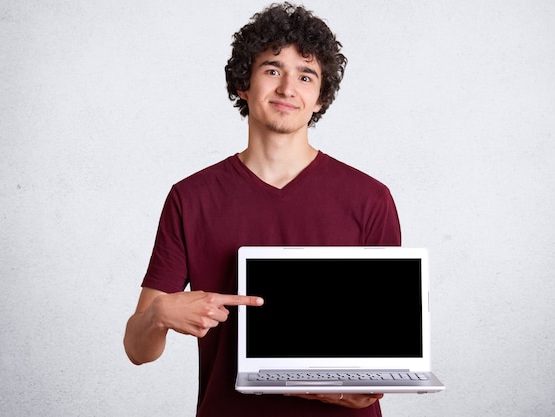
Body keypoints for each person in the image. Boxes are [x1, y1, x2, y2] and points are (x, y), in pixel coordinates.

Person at [124, 3, 401, 416]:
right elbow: (137, 350)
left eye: (305, 76)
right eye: (272, 70)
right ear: (243, 85)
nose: (288, 88)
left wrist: (351, 390)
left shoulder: (370, 198)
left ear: (320, 98)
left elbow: (388, 350)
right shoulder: (190, 197)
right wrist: (160, 315)